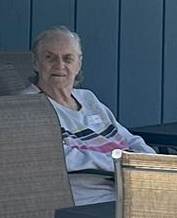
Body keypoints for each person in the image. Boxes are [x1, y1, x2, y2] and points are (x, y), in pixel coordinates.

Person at [31, 26, 145, 203]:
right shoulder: (29, 107)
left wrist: (150, 161)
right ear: (36, 63)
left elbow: (127, 138)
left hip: (130, 185)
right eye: (49, 58)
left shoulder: (88, 98)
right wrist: (121, 164)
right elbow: (59, 156)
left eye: (68, 58)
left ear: (78, 64)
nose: (59, 65)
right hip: (93, 199)